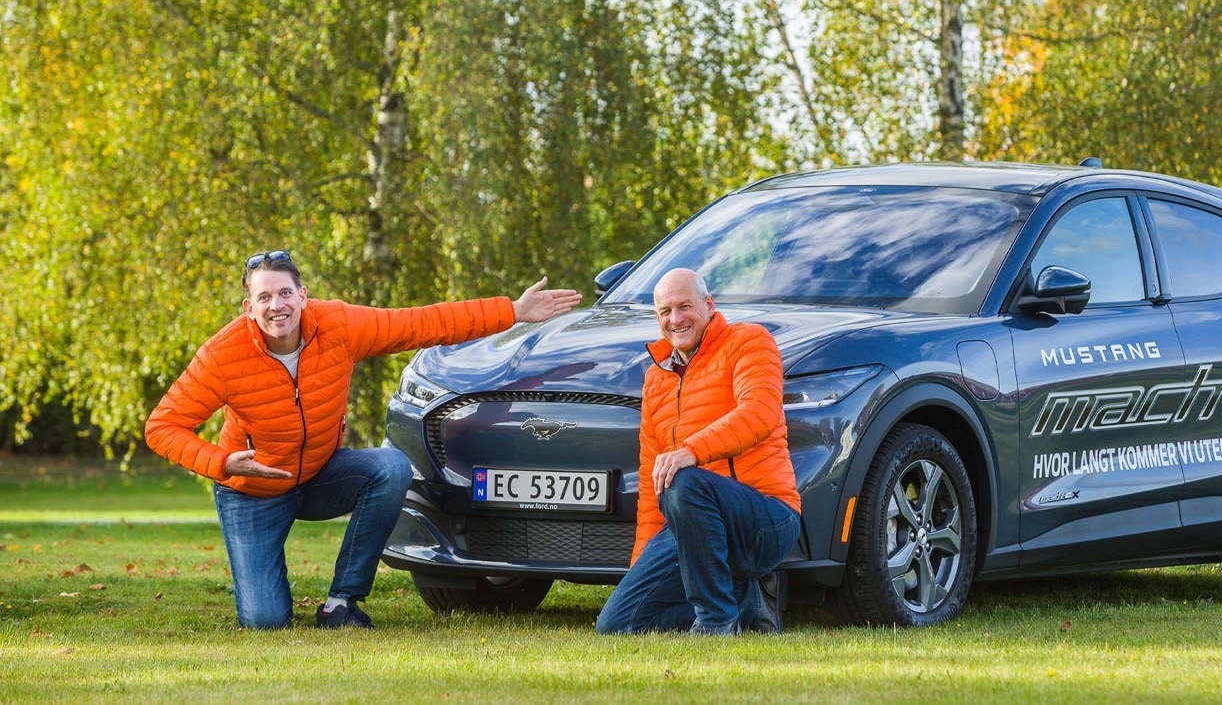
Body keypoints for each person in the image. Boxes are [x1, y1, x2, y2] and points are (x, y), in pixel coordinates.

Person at [145, 250, 581, 630]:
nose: (276, 306)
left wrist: (512, 311)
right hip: (252, 490)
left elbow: (421, 323)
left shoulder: (337, 325)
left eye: (284, 294)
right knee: (265, 621)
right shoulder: (224, 355)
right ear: (248, 306)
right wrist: (222, 463)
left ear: (302, 295)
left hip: (319, 475)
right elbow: (162, 426)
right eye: (264, 297)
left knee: (389, 467)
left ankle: (341, 602)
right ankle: (268, 586)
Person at [595, 268, 801, 635]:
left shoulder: (749, 341)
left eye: (685, 306)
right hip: (691, 524)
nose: (676, 319)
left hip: (764, 517)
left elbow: (760, 413)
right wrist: (642, 572)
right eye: (665, 311)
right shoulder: (656, 379)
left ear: (708, 305)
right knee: (617, 624)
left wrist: (691, 451)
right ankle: (744, 606)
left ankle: (716, 621)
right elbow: (650, 482)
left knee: (684, 480)